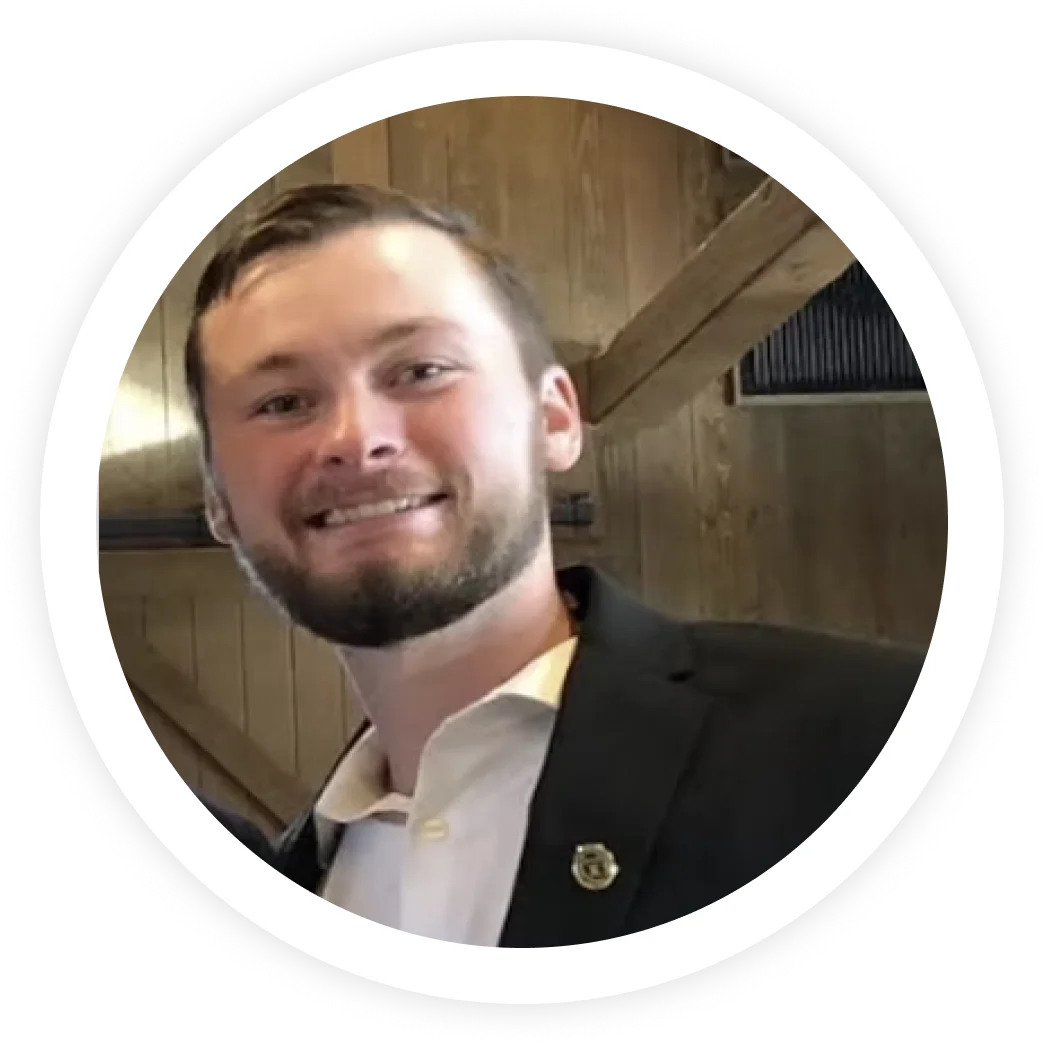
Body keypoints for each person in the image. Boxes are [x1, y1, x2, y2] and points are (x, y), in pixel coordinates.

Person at [186, 183, 924, 948]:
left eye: (420, 370)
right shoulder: (272, 910)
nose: (356, 437)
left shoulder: (883, 748)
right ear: (219, 503)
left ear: (554, 419)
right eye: (282, 403)